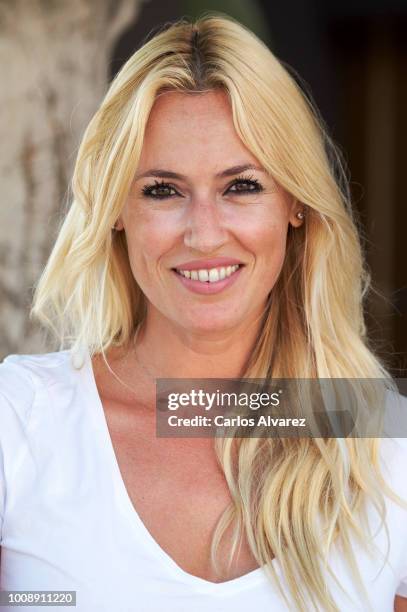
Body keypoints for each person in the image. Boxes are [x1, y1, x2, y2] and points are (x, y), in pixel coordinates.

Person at [0, 12, 406, 612]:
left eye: (241, 186)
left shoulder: (384, 443)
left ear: (295, 203)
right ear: (115, 208)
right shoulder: (20, 422)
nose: (205, 234)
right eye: (162, 190)